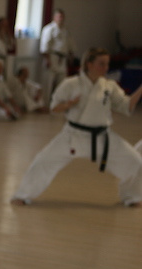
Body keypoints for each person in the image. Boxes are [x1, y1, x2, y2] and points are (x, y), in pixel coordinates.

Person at [11, 47, 142, 207]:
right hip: (73, 135)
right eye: (101, 64)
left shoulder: (109, 86)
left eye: (107, 64)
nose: (106, 68)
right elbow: (54, 107)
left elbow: (126, 106)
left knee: (136, 162)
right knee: (42, 162)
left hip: (102, 137)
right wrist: (68, 104)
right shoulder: (71, 84)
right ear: (89, 64)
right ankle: (22, 195)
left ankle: (132, 196)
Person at [40, 8, 75, 106]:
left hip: (62, 58)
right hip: (52, 57)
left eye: (62, 17)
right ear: (54, 17)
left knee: (62, 82)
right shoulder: (49, 29)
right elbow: (44, 45)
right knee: (48, 82)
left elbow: (70, 44)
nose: (61, 19)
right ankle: (45, 104)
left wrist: (71, 55)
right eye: (59, 17)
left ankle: (58, 103)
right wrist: (47, 59)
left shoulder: (65, 30)